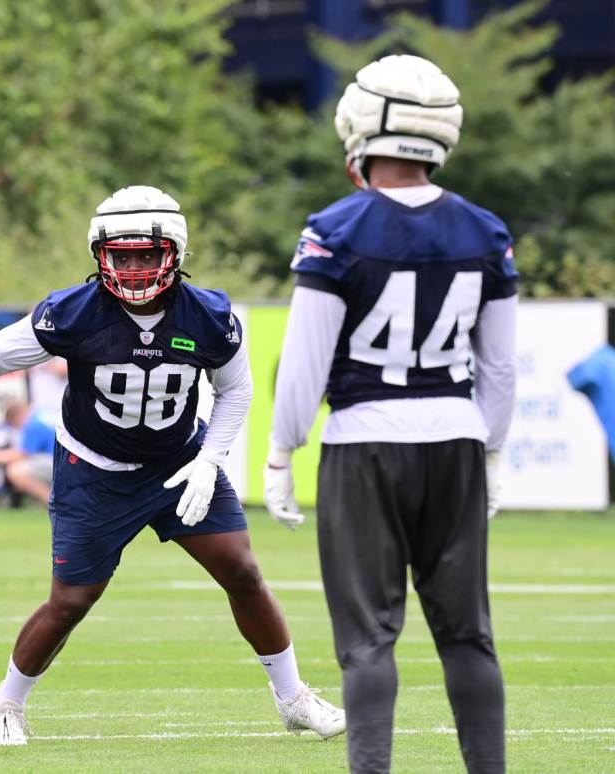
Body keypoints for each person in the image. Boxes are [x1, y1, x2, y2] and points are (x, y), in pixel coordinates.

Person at [0, 185, 345, 746]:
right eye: (122, 255)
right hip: (94, 469)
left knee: (243, 571)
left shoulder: (209, 315)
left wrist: (212, 459)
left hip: (179, 458)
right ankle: (7, 703)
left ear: (175, 254)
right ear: (100, 255)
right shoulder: (73, 312)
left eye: (146, 254)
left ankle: (292, 698)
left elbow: (236, 390)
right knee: (70, 602)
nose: (134, 268)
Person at [263, 56, 517, 774]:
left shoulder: (337, 228)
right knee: (468, 636)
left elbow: (305, 360)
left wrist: (282, 451)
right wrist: (492, 448)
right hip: (456, 439)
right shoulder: (485, 230)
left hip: (365, 443)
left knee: (368, 639)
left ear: (363, 130)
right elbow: (499, 364)